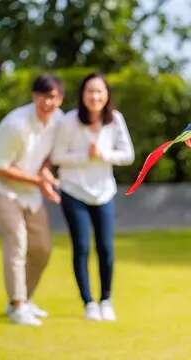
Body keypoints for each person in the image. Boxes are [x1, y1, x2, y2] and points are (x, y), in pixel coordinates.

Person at [0, 74, 64, 326]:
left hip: (30, 191)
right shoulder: (15, 125)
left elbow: (49, 156)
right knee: (17, 240)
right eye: (41, 96)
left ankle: (24, 300)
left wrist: (46, 174)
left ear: (60, 99)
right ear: (33, 96)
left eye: (52, 97)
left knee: (42, 249)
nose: (46, 102)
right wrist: (40, 182)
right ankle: (17, 305)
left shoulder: (58, 121)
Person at [51, 73, 134, 321]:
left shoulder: (115, 120)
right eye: (90, 91)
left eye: (99, 91)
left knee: (106, 248)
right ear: (82, 94)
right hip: (73, 190)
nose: (95, 96)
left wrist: (103, 154)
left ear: (106, 94)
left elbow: (127, 155)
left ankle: (106, 300)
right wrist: (84, 156)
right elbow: (57, 157)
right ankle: (88, 303)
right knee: (82, 247)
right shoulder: (69, 120)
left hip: (104, 192)